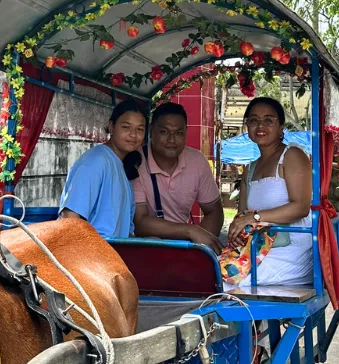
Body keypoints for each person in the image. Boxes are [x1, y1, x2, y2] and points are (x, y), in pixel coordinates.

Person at [224, 97, 314, 287]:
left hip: (290, 250)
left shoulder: (292, 156)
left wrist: (255, 218)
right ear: (247, 125)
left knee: (230, 284)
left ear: (281, 126)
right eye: (254, 120)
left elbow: (301, 208)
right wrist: (236, 229)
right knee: (214, 272)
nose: (260, 125)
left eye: (268, 120)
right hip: (256, 247)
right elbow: (243, 215)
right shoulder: (250, 168)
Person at [132, 102, 224, 253]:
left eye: (179, 133)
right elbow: (140, 222)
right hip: (146, 246)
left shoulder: (197, 161)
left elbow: (214, 211)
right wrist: (190, 231)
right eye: (164, 132)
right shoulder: (136, 161)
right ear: (150, 131)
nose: (172, 140)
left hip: (183, 247)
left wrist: (198, 250)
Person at [58, 100, 147, 238]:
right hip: (92, 255)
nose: (133, 135)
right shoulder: (95, 161)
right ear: (111, 127)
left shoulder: (122, 165)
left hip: (112, 255)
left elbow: (127, 231)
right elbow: (70, 218)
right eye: (126, 127)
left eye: (140, 129)